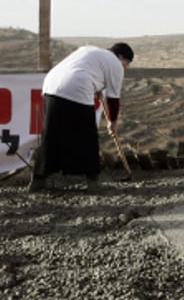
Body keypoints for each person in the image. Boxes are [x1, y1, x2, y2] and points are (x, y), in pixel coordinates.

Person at [29, 42, 133, 193]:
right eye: (127, 63)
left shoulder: (88, 50)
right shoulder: (115, 64)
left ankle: (38, 179)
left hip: (51, 86)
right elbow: (113, 99)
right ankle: (93, 182)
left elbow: (85, 70)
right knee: (87, 136)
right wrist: (113, 122)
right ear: (121, 56)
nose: (126, 67)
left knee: (51, 135)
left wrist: (96, 88)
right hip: (77, 87)